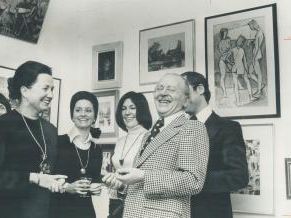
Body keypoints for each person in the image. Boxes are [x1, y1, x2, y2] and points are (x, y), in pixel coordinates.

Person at [104, 73, 209, 218]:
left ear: (185, 100)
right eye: (159, 88)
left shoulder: (192, 127)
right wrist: (121, 184)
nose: (163, 93)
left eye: (171, 89)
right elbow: (140, 184)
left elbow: (193, 180)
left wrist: (144, 175)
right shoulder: (149, 134)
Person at [0, 61, 67, 218]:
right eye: (45, 89)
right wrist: (34, 178)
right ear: (25, 91)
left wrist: (59, 182)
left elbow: (51, 172)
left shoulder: (50, 129)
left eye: (52, 89)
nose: (51, 95)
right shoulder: (1, 125)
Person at [181, 71, 249, 218]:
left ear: (200, 89)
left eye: (184, 92)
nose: (180, 99)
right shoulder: (179, 129)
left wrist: (192, 180)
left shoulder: (228, 128)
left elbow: (239, 176)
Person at [49, 91, 103, 218]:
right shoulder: (57, 142)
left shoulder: (96, 149)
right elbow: (46, 180)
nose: (83, 114)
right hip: (58, 212)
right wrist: (67, 187)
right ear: (72, 115)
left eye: (88, 110)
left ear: (94, 116)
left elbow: (94, 180)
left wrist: (95, 188)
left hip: (86, 213)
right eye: (78, 110)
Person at [104, 91, 152, 218]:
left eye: (132, 108)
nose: (127, 112)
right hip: (116, 204)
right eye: (123, 108)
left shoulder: (150, 138)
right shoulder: (119, 141)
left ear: (141, 110)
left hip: (139, 204)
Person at [231, 35, 256, 105]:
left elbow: (244, 61)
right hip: (235, 69)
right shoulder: (233, 50)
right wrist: (232, 65)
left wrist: (247, 71)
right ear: (237, 41)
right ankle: (238, 101)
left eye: (240, 41)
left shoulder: (242, 50)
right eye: (238, 40)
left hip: (242, 68)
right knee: (236, 85)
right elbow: (228, 59)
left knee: (247, 81)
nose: (239, 42)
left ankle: (251, 97)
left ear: (242, 43)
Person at [248, 19, 265, 98]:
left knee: (258, 74)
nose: (250, 27)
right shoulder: (259, 32)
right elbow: (256, 44)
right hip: (255, 55)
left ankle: (259, 91)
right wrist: (251, 42)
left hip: (256, 55)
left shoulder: (259, 33)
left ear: (253, 24)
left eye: (250, 25)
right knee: (250, 73)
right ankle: (261, 85)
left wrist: (254, 58)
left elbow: (258, 47)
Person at [218, 28, 234, 97]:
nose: (226, 34)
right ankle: (224, 92)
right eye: (225, 33)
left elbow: (229, 51)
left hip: (227, 60)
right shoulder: (221, 42)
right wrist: (228, 53)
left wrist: (229, 53)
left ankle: (235, 88)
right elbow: (223, 53)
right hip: (223, 61)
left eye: (226, 32)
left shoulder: (228, 41)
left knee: (234, 72)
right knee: (223, 76)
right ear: (222, 33)